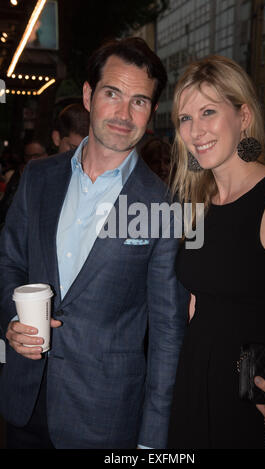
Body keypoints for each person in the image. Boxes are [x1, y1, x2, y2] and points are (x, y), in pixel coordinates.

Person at [0, 37, 189, 449]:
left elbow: (166, 334)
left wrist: (152, 441)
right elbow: (8, 263)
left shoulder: (163, 205)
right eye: (112, 94)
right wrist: (10, 322)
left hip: (104, 417)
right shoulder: (38, 178)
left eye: (139, 101)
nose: (124, 113)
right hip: (24, 400)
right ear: (88, 96)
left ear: (152, 113)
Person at [167, 55, 265, 449]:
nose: (195, 130)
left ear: (243, 116)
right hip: (193, 388)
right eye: (185, 118)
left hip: (251, 403)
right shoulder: (196, 200)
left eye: (208, 111)